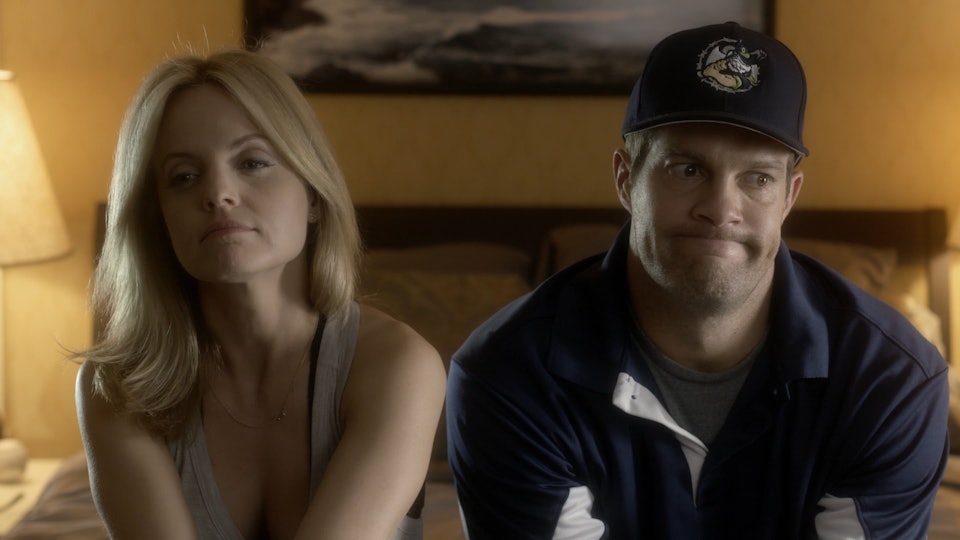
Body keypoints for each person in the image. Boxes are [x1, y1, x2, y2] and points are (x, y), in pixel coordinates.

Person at [446, 21, 949, 538]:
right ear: (626, 180)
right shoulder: (509, 375)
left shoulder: (889, 379)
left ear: (788, 198)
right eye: (687, 169)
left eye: (757, 178)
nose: (720, 209)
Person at [75, 48, 446, 540]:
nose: (218, 194)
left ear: (313, 194)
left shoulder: (396, 365)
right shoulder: (117, 387)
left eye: (252, 162)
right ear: (158, 219)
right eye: (184, 177)